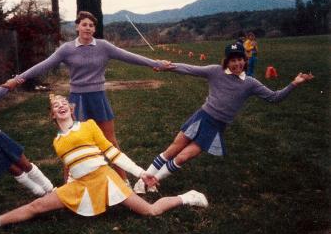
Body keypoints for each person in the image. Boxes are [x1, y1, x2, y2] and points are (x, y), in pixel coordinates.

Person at [0, 94, 208, 231]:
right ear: (53, 115)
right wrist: (66, 188)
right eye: (56, 105)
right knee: (37, 206)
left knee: (150, 211)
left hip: (105, 179)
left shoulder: (89, 126)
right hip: (80, 184)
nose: (61, 105)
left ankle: (188, 197)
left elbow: (113, 154)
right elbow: (70, 166)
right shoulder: (57, 142)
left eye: (64, 103)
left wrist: (140, 174)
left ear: (71, 110)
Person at [8, 11, 172, 188]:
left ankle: (124, 181)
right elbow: (44, 65)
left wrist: (155, 64)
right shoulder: (66, 49)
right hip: (76, 100)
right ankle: (68, 186)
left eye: (91, 25)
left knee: (110, 143)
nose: (88, 28)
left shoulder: (104, 46)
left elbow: (130, 57)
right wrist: (18, 79)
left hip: (98, 98)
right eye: (84, 24)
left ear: (94, 29)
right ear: (77, 26)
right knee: (72, 142)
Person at [133, 43, 314, 194]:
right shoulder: (215, 71)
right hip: (201, 117)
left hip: (216, 127)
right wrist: (164, 67)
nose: (236, 64)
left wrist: (294, 84)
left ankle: (152, 182)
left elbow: (275, 98)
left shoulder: (250, 83)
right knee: (173, 150)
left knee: (183, 158)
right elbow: (189, 69)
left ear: (245, 60)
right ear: (227, 61)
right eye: (232, 60)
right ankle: (143, 180)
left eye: (239, 59)